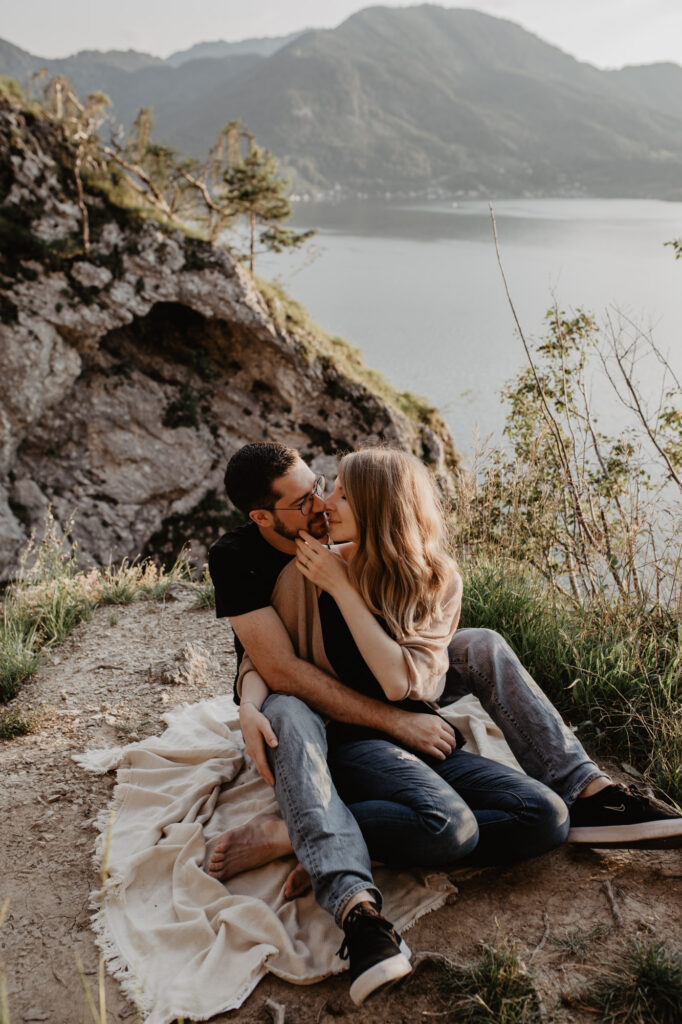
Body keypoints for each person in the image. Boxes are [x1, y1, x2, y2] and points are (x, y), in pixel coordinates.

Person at [206, 443, 682, 999]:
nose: (321, 503)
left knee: (543, 815)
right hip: (343, 722)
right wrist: (249, 701)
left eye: (329, 490)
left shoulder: (385, 565)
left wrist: (404, 701)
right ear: (263, 517)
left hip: (406, 696)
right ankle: (350, 898)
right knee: (443, 822)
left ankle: (588, 789)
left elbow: (412, 678)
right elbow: (274, 662)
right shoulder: (284, 565)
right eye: (307, 498)